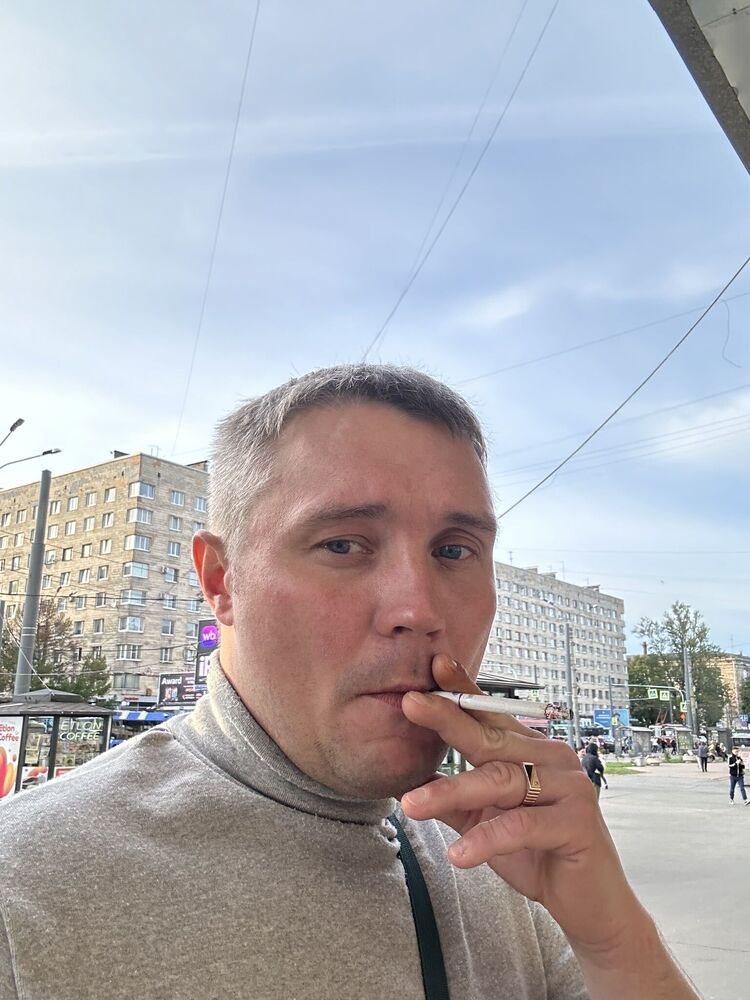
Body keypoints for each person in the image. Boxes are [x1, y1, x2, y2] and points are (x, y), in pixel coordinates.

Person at [0, 364, 700, 999]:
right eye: (342, 544)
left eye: (454, 551)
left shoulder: (503, 857)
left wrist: (614, 940)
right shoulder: (26, 887)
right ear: (221, 581)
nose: (418, 610)